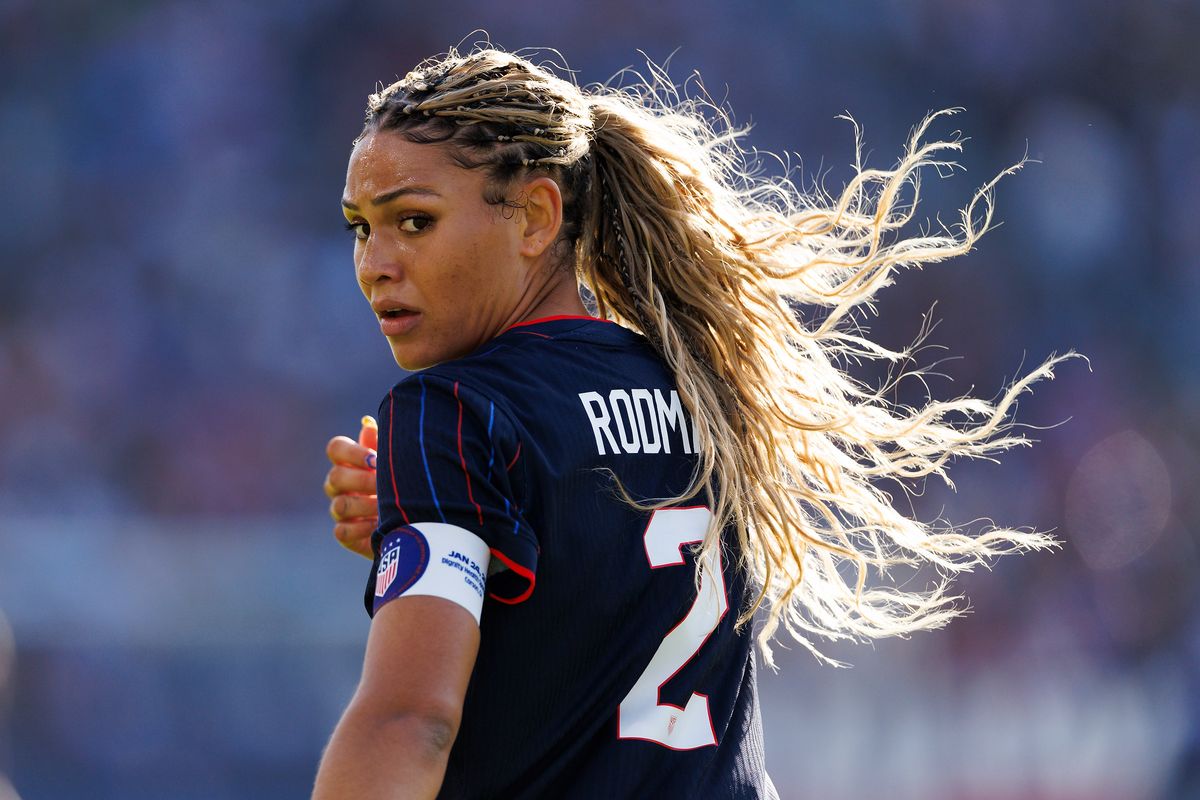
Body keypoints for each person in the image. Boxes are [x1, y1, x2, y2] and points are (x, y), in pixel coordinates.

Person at [313, 46, 1072, 799]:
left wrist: (441, 492)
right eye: (360, 228)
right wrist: (437, 513)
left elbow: (410, 721)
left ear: (537, 217)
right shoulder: (699, 382)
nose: (375, 263)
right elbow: (591, 584)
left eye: (414, 221)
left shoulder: (450, 411)